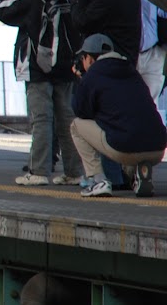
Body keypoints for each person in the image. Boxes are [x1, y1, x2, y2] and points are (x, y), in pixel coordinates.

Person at [0, 0, 81, 186]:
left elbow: (2, 9)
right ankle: (74, 171)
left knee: (41, 119)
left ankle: (39, 171)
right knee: (67, 119)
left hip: (37, 68)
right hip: (66, 67)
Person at [69, 32, 167, 198]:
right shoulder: (131, 71)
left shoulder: (93, 74)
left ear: (90, 59)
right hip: (158, 148)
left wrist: (82, 81)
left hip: (125, 147)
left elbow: (81, 111)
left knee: (77, 126)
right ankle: (141, 175)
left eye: (83, 59)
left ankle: (98, 180)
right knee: (125, 127)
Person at [126, 0, 167, 119]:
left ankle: (151, 143)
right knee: (126, 103)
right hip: (127, 56)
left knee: (151, 106)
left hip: (152, 54)